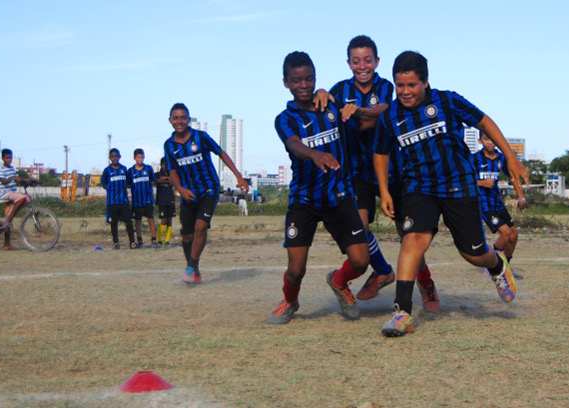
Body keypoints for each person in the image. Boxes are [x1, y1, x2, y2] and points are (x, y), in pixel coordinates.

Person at [373, 51, 527, 337]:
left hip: (459, 184)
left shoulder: (447, 101)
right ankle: (402, 313)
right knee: (412, 240)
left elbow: (484, 121)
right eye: (400, 85)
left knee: (474, 254)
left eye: (412, 85)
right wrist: (384, 190)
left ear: (426, 82)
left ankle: (497, 266)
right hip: (419, 186)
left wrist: (511, 157)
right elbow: (380, 153)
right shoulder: (390, 115)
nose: (405, 92)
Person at [314, 35, 419, 302]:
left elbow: (383, 111)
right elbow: (325, 111)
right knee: (359, 229)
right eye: (356, 60)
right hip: (357, 174)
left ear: (377, 61)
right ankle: (383, 271)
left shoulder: (385, 86)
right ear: (349, 63)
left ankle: (427, 286)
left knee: (409, 233)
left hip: (391, 172)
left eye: (368, 60)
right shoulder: (339, 90)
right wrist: (322, 92)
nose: (363, 66)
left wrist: (358, 111)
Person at [267, 51, 370, 325]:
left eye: (309, 79)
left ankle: (338, 282)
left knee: (361, 261)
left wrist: (355, 110)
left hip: (340, 195)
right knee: (295, 270)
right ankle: (289, 300)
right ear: (286, 82)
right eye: (297, 80)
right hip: (305, 200)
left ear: (315, 78)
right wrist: (315, 155)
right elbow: (293, 145)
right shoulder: (285, 118)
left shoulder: (332, 105)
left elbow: (368, 118)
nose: (304, 85)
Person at [164, 103, 248, 285]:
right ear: (170, 121)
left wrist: (238, 177)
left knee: (201, 227)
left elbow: (221, 153)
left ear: (188, 119)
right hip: (188, 194)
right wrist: (180, 189)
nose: (180, 121)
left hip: (209, 189)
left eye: (183, 117)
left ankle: (190, 268)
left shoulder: (200, 137)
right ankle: (194, 270)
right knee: (187, 236)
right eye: (176, 118)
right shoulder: (169, 145)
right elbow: (172, 171)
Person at [475, 130, 528, 274]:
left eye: (492, 139)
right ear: (480, 141)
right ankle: (492, 268)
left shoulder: (501, 158)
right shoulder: (474, 159)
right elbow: (464, 181)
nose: (490, 142)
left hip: (497, 203)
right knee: (505, 233)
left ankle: (505, 270)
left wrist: (521, 197)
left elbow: (513, 177)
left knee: (514, 235)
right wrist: (481, 182)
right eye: (486, 139)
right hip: (484, 205)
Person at [102, 148, 135, 250]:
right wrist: (110, 189)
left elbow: (129, 183)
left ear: (119, 157)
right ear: (110, 158)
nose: (115, 158)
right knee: (114, 223)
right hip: (112, 202)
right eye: (113, 156)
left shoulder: (124, 169)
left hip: (123, 200)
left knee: (128, 221)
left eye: (116, 156)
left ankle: (132, 242)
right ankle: (116, 243)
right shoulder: (107, 170)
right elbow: (104, 183)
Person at [0, 148, 28, 251]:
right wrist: (13, 178)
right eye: (7, 157)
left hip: (11, 194)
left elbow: (18, 179)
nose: (9, 159)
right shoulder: (1, 169)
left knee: (8, 222)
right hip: (5, 193)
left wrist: (32, 180)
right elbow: (3, 182)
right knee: (22, 198)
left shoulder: (12, 169)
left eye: (10, 157)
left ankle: (7, 245)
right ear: (2, 158)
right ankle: (10, 216)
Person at [128, 148, 157, 248]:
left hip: (148, 199)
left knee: (151, 219)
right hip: (137, 201)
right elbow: (128, 184)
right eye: (138, 157)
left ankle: (154, 239)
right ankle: (140, 240)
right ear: (134, 158)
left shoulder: (148, 169)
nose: (140, 159)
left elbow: (153, 181)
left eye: (142, 157)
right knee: (138, 220)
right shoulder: (131, 171)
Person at [155, 159, 176, 246]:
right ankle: (159, 240)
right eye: (164, 164)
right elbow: (157, 180)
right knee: (164, 220)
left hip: (170, 199)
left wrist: (168, 179)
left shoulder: (172, 174)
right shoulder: (157, 174)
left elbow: (174, 182)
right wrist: (167, 179)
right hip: (162, 200)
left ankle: (167, 240)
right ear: (161, 165)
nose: (165, 166)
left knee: (170, 220)